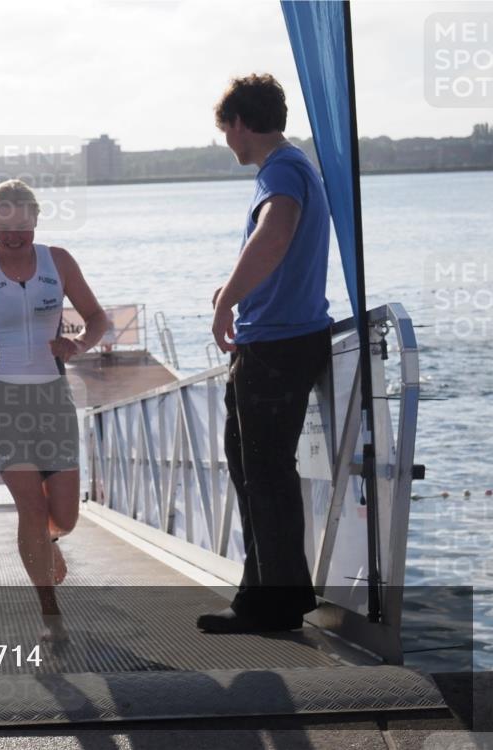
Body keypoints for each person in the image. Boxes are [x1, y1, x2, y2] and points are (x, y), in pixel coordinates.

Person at [0, 179, 109, 642]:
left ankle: (49, 542)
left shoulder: (60, 261)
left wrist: (80, 344)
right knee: (30, 506)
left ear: (35, 221)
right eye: (3, 232)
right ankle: (50, 615)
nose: (12, 241)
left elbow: (97, 317)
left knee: (63, 516)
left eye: (22, 232)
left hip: (51, 396)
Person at [198, 73, 333, 634]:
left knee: (265, 471)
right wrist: (234, 293)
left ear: (240, 123)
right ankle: (267, 595)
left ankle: (271, 605)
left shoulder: (281, 170)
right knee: (256, 468)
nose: (227, 141)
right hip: (283, 339)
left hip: (276, 344)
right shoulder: (294, 167)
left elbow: (274, 234)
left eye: (225, 129)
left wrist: (228, 299)